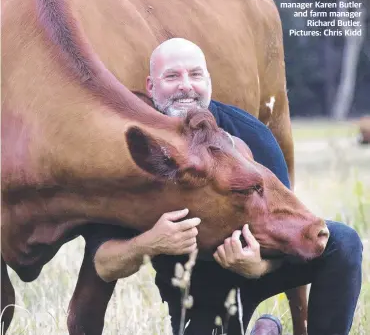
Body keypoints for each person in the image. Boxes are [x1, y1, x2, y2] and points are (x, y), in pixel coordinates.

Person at [84, 38, 363, 335]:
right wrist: (151, 242)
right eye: (172, 76)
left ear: (209, 82)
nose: (186, 86)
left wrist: (258, 267)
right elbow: (103, 263)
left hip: (259, 263)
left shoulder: (250, 134)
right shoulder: (138, 149)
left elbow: (286, 222)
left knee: (343, 243)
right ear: (151, 87)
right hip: (195, 288)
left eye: (195, 75)